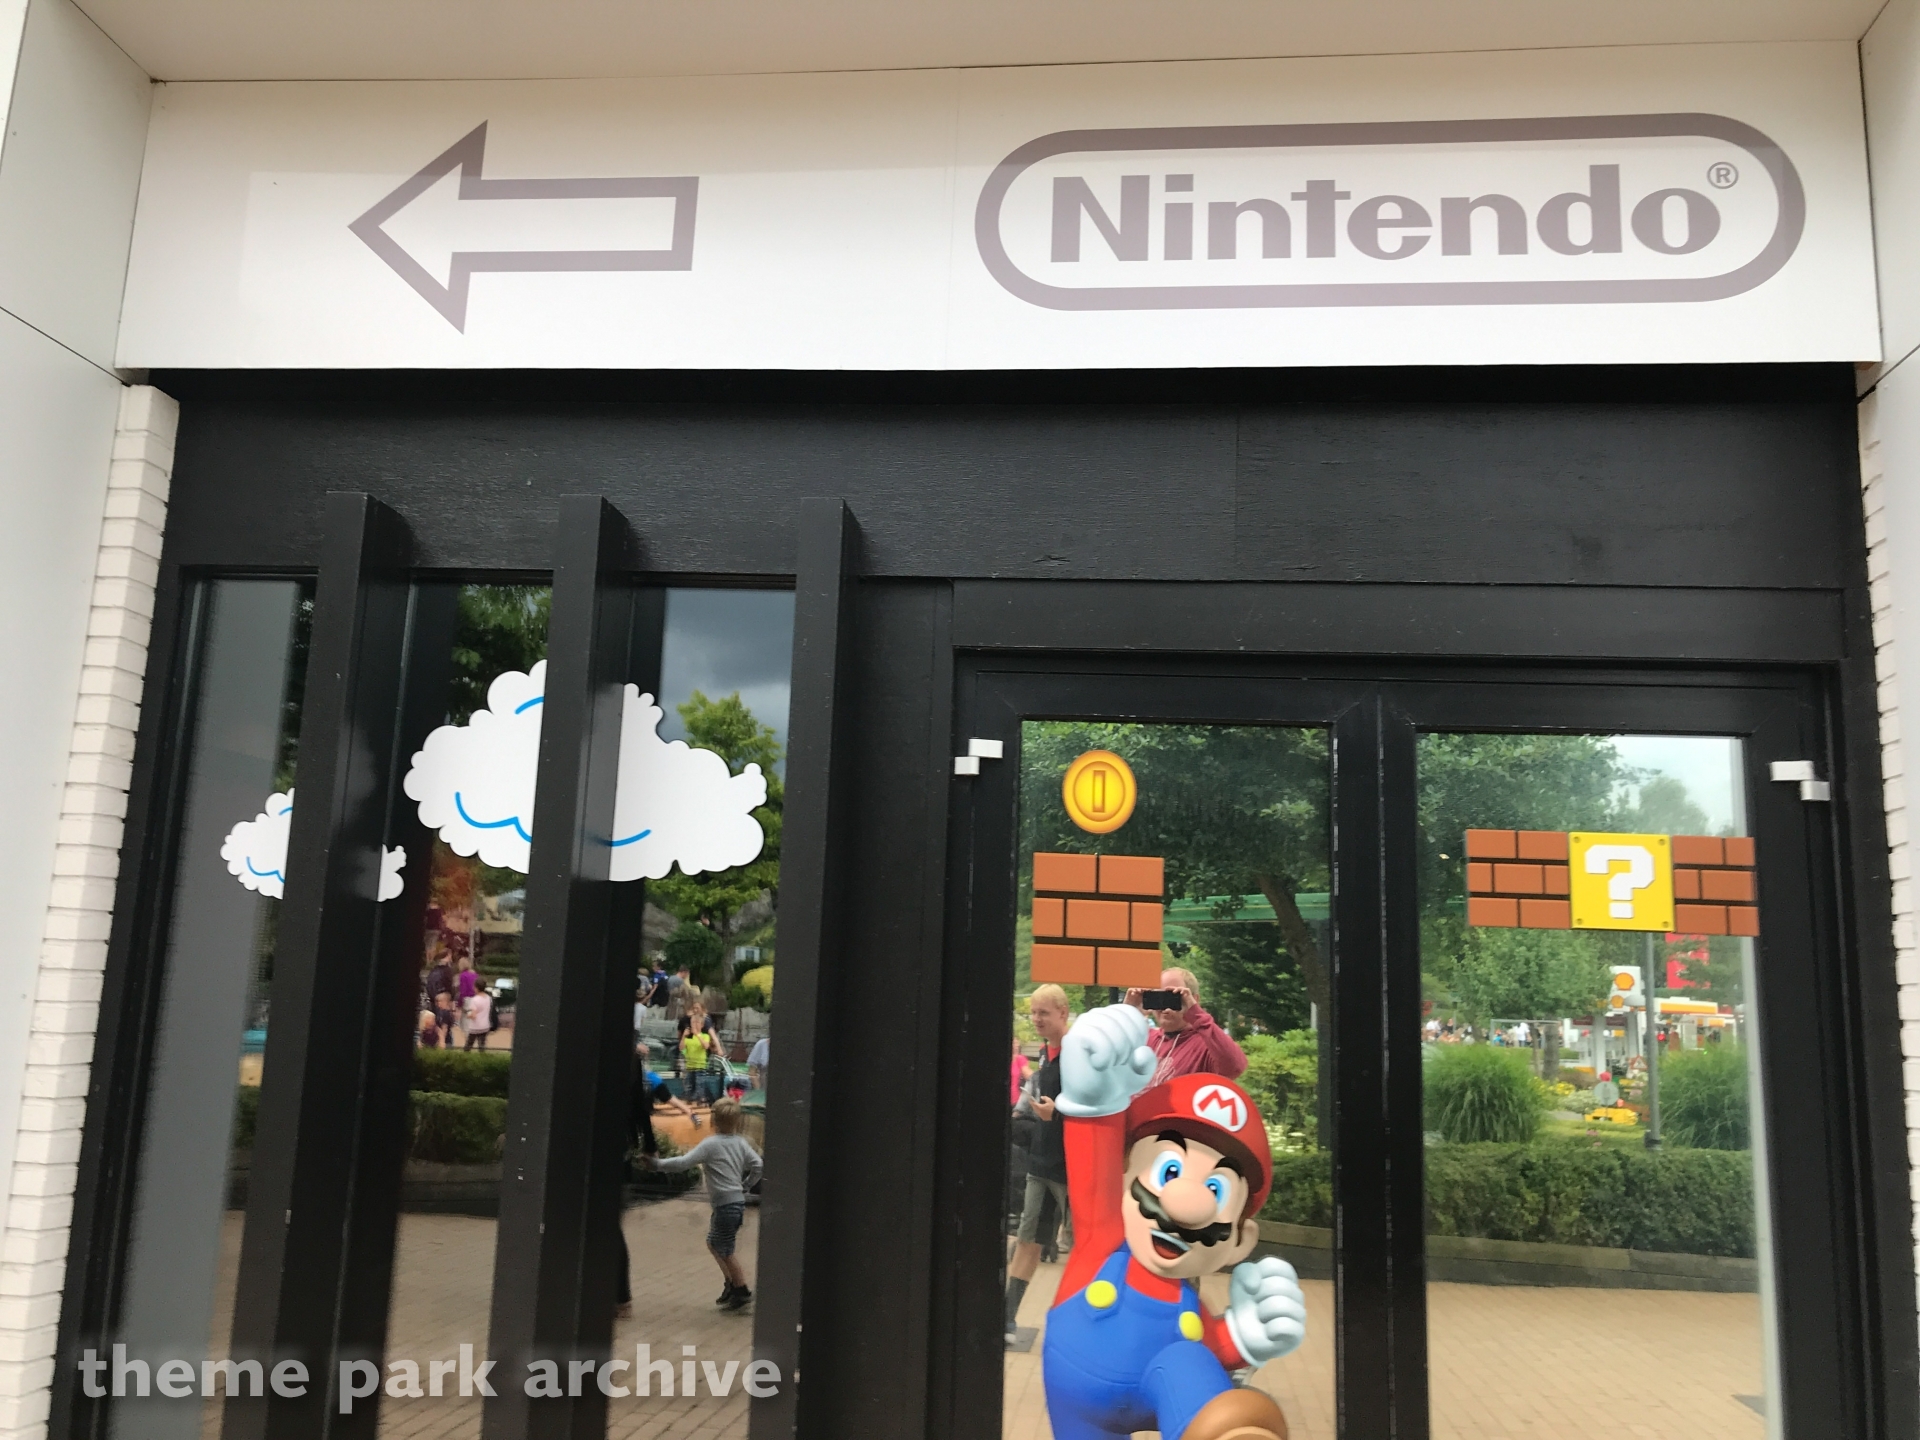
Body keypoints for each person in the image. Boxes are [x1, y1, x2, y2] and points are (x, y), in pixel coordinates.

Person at [1042, 1003, 1306, 1440]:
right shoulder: (1101, 1242)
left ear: (1241, 1241)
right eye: (1170, 1170)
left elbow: (1213, 1343)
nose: (1188, 1206)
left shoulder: (1187, 1305)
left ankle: (1224, 1432)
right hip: (1079, 1405)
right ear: (1122, 1176)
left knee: (1189, 1361)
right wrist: (1095, 1100)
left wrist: (1245, 1335)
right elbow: (1093, 1166)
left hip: (1166, 1372)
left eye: (1217, 1189)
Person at [645, 1096, 763, 1311]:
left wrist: (657, 1164)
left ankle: (741, 1289)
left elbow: (683, 1163)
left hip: (725, 1205)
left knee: (725, 1249)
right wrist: (745, 1185)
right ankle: (731, 1284)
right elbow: (758, 1165)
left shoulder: (710, 1144)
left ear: (713, 1121)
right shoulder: (740, 1143)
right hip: (734, 1203)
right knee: (714, 1243)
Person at [1005, 984, 1073, 1342]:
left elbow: (1093, 1107)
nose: (1036, 1019)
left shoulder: (1078, 1054)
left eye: (1043, 1012)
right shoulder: (1047, 1053)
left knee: (1081, 1245)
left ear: (1063, 1012)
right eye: (1033, 1012)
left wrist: (1057, 1114)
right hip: (1041, 1162)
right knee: (1028, 1239)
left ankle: (1081, 1328)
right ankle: (1006, 1319)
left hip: (1071, 1166)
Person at [1126, 968, 1247, 1083]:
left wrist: (1196, 1013)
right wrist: (1126, 1013)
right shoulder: (1145, 1038)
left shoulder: (1206, 1044)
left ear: (1194, 999)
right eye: (1158, 998)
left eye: (1172, 998)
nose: (1166, 1008)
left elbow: (1235, 1068)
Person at [679, 1003, 720, 1105]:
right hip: (690, 1066)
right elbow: (682, 1048)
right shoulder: (688, 1038)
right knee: (688, 1087)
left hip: (700, 1066)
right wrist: (684, 1036)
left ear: (702, 1025)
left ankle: (700, 1101)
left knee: (699, 1086)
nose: (695, 1025)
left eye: (697, 1023)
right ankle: (689, 1101)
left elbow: (706, 1046)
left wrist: (698, 1035)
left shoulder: (705, 1036)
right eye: (693, 1022)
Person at [463, 981, 492, 1051]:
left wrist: (468, 1014)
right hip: (485, 1025)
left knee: (468, 1046)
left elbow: (473, 1015)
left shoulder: (474, 1000)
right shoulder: (488, 998)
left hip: (475, 1026)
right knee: (482, 1046)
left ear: (476, 988)